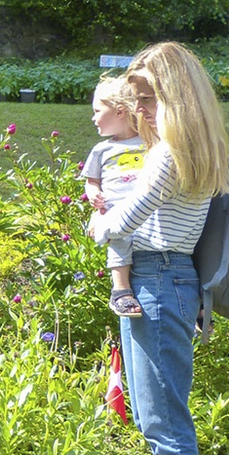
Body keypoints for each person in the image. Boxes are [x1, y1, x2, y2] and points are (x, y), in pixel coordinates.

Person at [90, 42, 229, 455]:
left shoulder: (170, 153)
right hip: (168, 279)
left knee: (165, 422)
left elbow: (119, 224)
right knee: (161, 418)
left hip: (155, 281)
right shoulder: (195, 147)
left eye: (146, 98)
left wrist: (97, 220)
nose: (139, 109)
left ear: (174, 96)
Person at [83, 77, 145, 318]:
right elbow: (92, 180)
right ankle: (120, 289)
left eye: (97, 111)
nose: (93, 118)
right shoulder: (102, 149)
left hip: (146, 209)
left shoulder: (149, 142)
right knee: (119, 240)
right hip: (115, 211)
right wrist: (94, 196)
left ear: (120, 112)